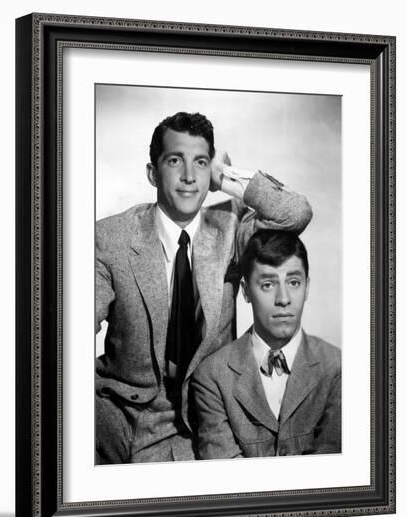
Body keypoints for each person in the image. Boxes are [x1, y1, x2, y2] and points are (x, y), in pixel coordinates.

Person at [95, 112, 313, 464]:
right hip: (112, 417)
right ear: (153, 173)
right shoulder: (110, 238)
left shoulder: (230, 229)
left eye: (199, 163)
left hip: (195, 425)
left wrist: (224, 176)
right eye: (174, 161)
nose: (188, 176)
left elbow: (295, 213)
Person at [192, 229, 341, 459]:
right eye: (268, 285)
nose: (283, 299)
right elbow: (224, 483)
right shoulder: (211, 377)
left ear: (307, 287)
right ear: (245, 291)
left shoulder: (337, 368)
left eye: (293, 282)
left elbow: (336, 476)